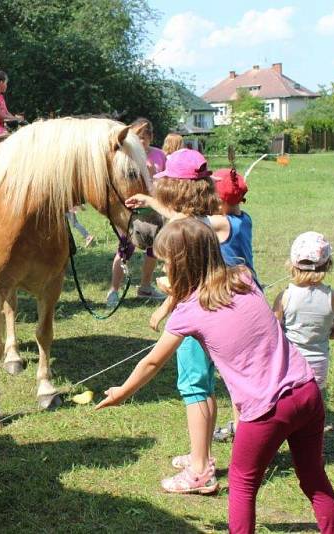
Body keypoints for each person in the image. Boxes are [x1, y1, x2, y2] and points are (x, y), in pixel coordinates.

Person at [97, 218, 334, 534]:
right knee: (313, 476)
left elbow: (151, 363)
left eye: (166, 264)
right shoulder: (243, 277)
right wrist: (179, 292)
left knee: (242, 483)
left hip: (265, 411)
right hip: (307, 392)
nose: (163, 270)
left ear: (180, 265)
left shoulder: (188, 312)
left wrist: (122, 392)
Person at [125, 149, 225, 494]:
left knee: (194, 387)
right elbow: (180, 218)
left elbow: (184, 282)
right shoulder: (203, 221)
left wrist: (166, 297)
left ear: (175, 187)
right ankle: (203, 455)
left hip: (196, 317)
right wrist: (152, 203)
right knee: (204, 385)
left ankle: (200, 472)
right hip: (211, 312)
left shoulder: (185, 233)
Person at [272, 232, 334, 392]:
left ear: (292, 264)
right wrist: (321, 335)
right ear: (328, 264)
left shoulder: (284, 296)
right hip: (319, 365)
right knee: (313, 404)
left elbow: (274, 332)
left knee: (290, 401)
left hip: (289, 363)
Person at [106, 118, 168, 307]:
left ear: (151, 137)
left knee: (154, 251)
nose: (141, 142)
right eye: (137, 137)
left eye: (145, 137)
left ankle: (145, 286)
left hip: (155, 211)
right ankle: (113, 290)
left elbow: (167, 182)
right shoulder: (127, 157)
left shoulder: (160, 155)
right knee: (124, 250)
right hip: (132, 213)